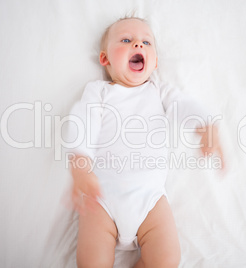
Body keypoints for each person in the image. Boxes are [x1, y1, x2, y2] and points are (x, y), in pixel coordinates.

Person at [65, 16, 224, 268]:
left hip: (150, 201)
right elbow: (85, 118)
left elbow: (183, 105)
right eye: (126, 40)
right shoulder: (99, 91)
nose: (138, 45)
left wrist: (205, 123)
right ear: (105, 59)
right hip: (102, 196)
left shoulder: (160, 92)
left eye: (146, 42)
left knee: (168, 260)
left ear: (155, 63)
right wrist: (80, 161)